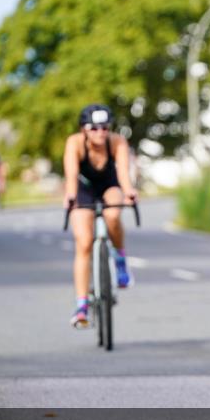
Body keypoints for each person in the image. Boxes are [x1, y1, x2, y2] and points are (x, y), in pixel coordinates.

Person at [63, 104, 138, 328]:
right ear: (83, 129)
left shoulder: (117, 142)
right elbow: (71, 173)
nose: (100, 132)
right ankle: (82, 305)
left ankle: (121, 260)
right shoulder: (74, 143)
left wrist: (129, 192)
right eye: (94, 128)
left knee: (113, 215)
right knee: (84, 242)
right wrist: (71, 196)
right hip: (83, 188)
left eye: (105, 127)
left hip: (109, 185)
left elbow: (123, 174)